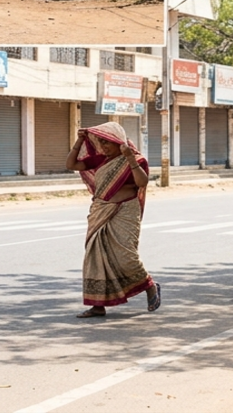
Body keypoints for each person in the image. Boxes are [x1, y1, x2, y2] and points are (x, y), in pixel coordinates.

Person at [67, 122, 161, 318]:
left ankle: (149, 285)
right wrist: (80, 140)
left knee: (127, 255)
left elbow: (142, 183)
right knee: (95, 257)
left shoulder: (136, 159)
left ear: (120, 142)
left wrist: (129, 158)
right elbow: (71, 165)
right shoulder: (100, 159)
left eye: (107, 142)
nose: (104, 147)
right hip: (101, 211)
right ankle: (97, 305)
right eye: (101, 142)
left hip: (126, 210)